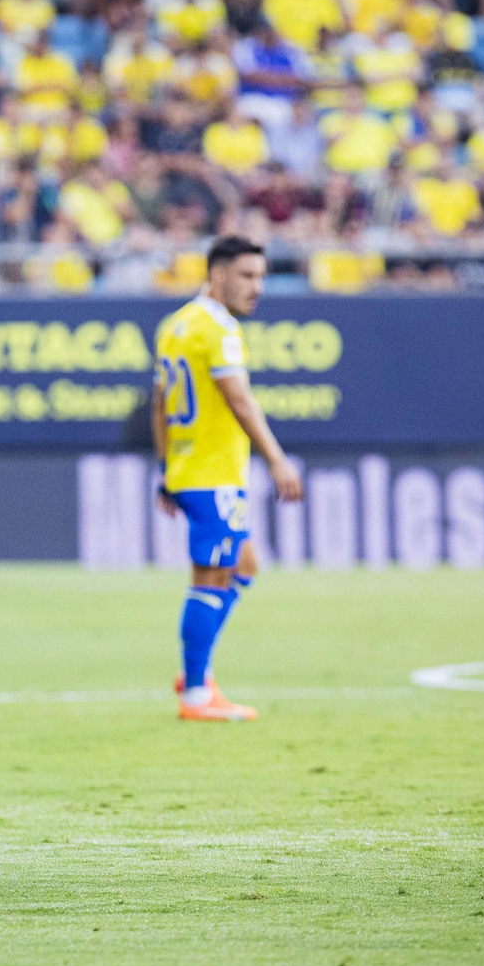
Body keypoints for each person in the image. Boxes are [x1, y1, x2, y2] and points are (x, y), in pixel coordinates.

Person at [152, 236, 303, 722]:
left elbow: (159, 404)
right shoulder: (219, 329)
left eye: (262, 276)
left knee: (245, 566)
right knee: (212, 576)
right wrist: (277, 459)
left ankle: (196, 671)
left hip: (190, 470)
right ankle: (196, 693)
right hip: (213, 475)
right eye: (247, 276)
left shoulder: (175, 324)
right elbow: (239, 399)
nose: (257, 287)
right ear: (218, 274)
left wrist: (165, 467)